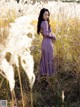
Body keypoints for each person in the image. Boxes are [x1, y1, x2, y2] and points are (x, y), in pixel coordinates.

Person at [37, 8, 56, 77]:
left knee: (44, 59)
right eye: (45, 15)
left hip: (44, 43)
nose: (46, 16)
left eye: (48, 15)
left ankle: (44, 74)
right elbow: (46, 33)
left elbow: (44, 33)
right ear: (42, 15)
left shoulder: (41, 22)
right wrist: (53, 36)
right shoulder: (45, 22)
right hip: (48, 43)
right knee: (49, 59)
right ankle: (49, 76)